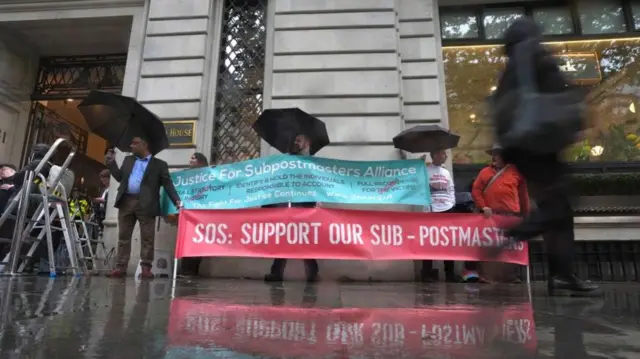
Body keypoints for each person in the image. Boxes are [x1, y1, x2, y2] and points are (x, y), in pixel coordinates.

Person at [492, 18, 599, 296]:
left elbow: (498, 111)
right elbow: (559, 94)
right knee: (560, 206)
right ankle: (516, 235)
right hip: (541, 144)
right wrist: (574, 119)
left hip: (517, 147)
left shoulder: (510, 70)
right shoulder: (538, 57)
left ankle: (561, 274)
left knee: (558, 209)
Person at [105, 136, 182, 279]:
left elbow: (167, 184)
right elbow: (120, 177)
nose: (131, 145)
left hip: (147, 204)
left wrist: (176, 200)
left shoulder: (159, 165)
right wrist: (111, 163)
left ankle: (146, 267)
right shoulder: (128, 160)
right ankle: (120, 267)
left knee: (147, 237)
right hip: (126, 201)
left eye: (135, 143)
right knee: (123, 236)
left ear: (144, 145)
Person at [469, 144, 529, 283]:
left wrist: (525, 214)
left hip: (511, 215)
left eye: (499, 154)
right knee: (488, 245)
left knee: (510, 246)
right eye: (494, 154)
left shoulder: (516, 173)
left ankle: (510, 276)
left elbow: (523, 195)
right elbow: (476, 191)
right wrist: (483, 207)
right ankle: (487, 276)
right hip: (491, 216)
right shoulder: (484, 172)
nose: (495, 157)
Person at [264, 134, 319, 283]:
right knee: (283, 241)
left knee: (303, 242)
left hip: (302, 209)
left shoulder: (309, 164)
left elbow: (315, 185)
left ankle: (312, 272)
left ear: (307, 143)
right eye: (294, 140)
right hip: (285, 208)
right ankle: (276, 273)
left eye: (299, 140)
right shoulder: (285, 161)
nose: (295, 142)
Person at [421, 150, 462, 283]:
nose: (445, 156)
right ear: (435, 155)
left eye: (445, 154)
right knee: (428, 243)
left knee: (448, 242)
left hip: (446, 209)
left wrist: (452, 203)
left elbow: (450, 189)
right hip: (431, 210)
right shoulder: (425, 170)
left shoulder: (446, 172)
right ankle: (426, 272)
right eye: (443, 154)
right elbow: (419, 185)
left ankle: (449, 273)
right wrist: (419, 163)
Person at [178, 152, 209, 277]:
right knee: (187, 240)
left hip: (201, 213)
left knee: (197, 242)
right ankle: (185, 268)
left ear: (201, 162)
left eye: (194, 159)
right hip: (188, 213)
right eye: (191, 158)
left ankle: (191, 269)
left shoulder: (208, 176)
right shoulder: (186, 175)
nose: (191, 160)